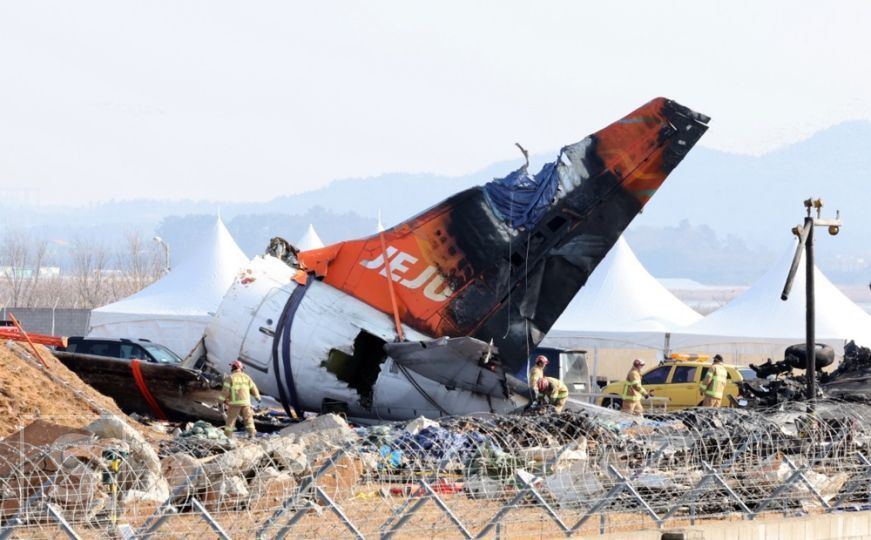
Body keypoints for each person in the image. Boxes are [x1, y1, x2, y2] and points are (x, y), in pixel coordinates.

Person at [222, 360, 262, 439]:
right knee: (248, 419)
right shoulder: (247, 377)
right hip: (246, 403)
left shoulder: (230, 378)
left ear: (233, 367)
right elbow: (253, 388)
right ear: (241, 368)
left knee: (231, 420)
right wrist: (258, 397)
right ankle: (252, 435)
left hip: (235, 404)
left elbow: (225, 392)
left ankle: (227, 437)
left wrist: (220, 401)